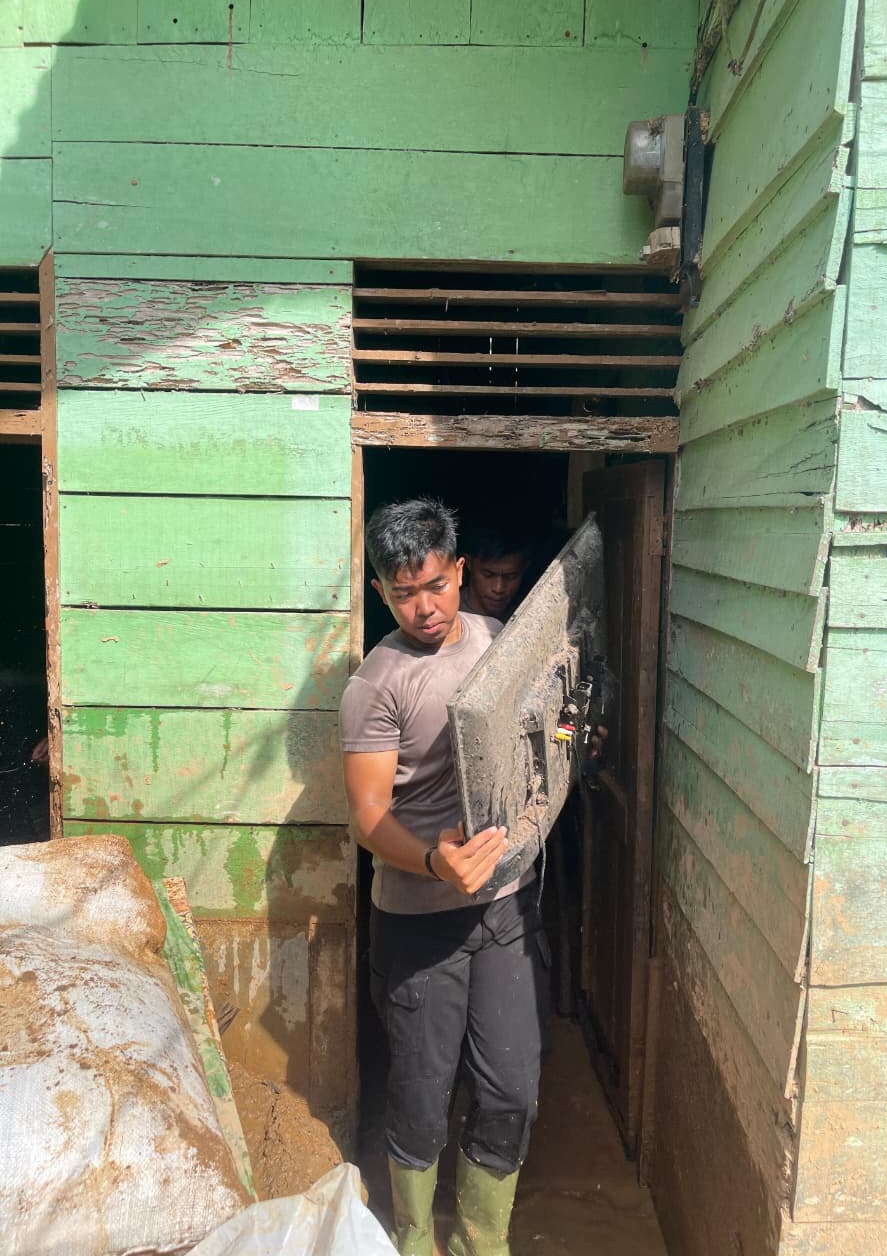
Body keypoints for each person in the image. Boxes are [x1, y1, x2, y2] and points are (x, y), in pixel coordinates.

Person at [339, 498, 549, 1256]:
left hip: (506, 910)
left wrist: (567, 742)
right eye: (403, 593)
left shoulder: (499, 641)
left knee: (511, 1086)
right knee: (422, 1095)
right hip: (418, 920)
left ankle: (481, 1242)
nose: (424, 607)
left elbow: (544, 724)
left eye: (435, 585)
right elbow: (367, 816)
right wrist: (434, 860)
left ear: (459, 571)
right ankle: (415, 1237)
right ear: (380, 591)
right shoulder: (377, 684)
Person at [458, 521, 531, 623]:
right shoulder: (448, 615)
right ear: (469, 563)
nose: (498, 588)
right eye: (488, 575)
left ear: (525, 567)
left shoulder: (530, 613)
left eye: (510, 577)